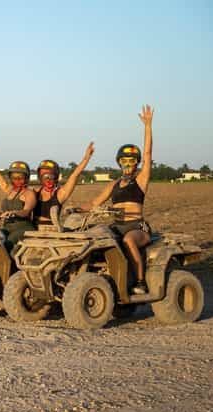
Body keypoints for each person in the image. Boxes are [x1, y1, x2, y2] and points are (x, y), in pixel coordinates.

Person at [82, 105, 154, 294]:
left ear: (136, 162)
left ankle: (140, 281)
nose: (128, 164)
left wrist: (147, 126)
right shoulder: (113, 185)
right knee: (93, 239)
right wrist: (74, 210)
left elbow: (148, 155)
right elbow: (93, 203)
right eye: (124, 160)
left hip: (136, 227)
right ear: (119, 163)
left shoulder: (140, 180)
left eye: (132, 160)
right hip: (116, 226)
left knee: (129, 240)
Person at [0, 137, 36, 250]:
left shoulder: (29, 193)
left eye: (21, 178)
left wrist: (13, 213)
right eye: (14, 178)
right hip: (7, 227)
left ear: (27, 178)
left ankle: (8, 266)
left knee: (8, 243)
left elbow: (26, 211)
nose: (17, 180)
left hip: (23, 228)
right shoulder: (9, 190)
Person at [34, 142, 95, 226]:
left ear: (56, 176)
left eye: (50, 175)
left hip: (51, 230)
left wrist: (86, 158)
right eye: (44, 175)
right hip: (32, 228)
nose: (47, 179)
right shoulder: (34, 192)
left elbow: (74, 175)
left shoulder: (60, 194)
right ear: (39, 177)